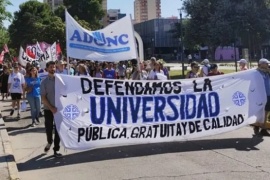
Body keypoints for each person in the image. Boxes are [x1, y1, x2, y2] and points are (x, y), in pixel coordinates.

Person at [40, 61, 62, 157]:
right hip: (48, 109)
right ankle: (49, 141)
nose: (53, 69)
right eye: (51, 67)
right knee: (49, 129)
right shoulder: (44, 82)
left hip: (59, 110)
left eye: (54, 67)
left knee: (58, 130)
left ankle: (56, 149)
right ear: (47, 69)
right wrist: (51, 107)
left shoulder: (60, 80)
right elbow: (43, 98)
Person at [254, 58, 270, 136]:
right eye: (266, 63)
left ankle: (262, 128)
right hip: (260, 95)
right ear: (261, 64)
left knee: (266, 111)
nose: (268, 65)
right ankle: (258, 125)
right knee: (260, 111)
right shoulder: (256, 73)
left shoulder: (267, 72)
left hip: (268, 94)